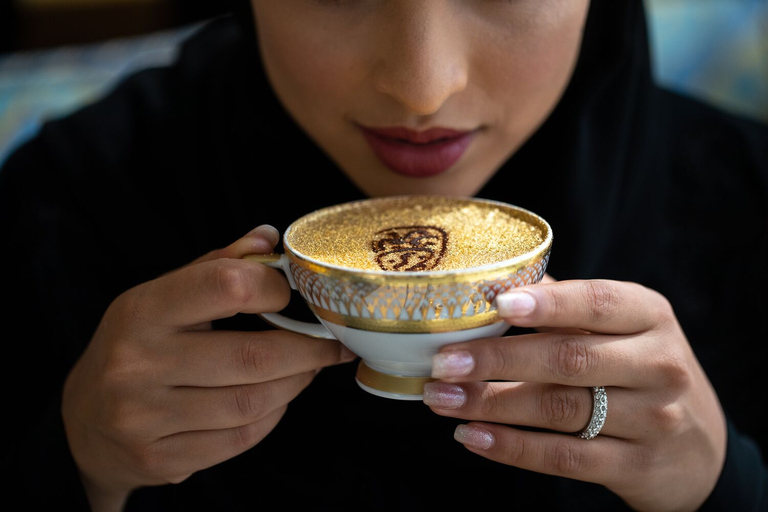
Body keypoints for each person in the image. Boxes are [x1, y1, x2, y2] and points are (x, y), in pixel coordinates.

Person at [1, 1, 766, 510]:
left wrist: (723, 481)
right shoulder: (72, 196)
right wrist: (77, 464)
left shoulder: (746, 196)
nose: (422, 89)